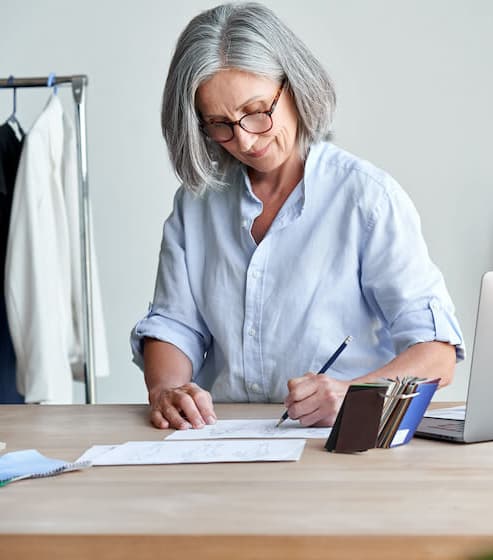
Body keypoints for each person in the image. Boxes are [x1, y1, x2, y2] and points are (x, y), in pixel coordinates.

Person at [130, 2, 464, 430]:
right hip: (223, 440)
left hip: (337, 444)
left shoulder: (367, 200)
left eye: (256, 112)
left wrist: (353, 396)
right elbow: (176, 325)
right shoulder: (197, 203)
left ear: (294, 85)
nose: (245, 140)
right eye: (220, 124)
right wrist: (167, 390)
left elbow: (437, 352)